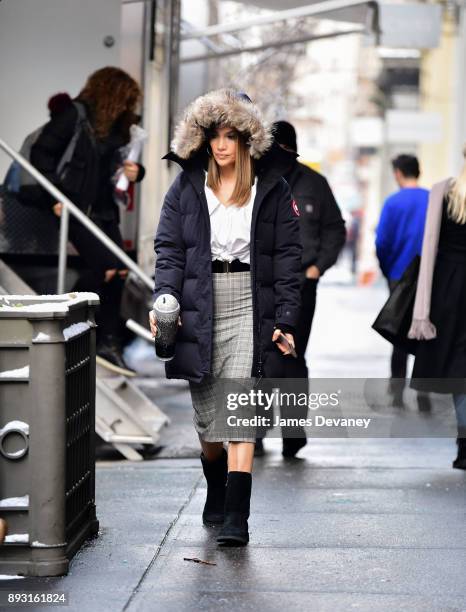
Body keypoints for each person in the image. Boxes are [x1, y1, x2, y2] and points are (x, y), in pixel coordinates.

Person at [149, 89, 302, 546]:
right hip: (199, 297)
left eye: (231, 135)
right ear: (203, 138)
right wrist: (164, 300)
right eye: (214, 135)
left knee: (242, 405)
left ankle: (237, 516)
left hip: (250, 298)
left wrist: (285, 319)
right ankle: (215, 482)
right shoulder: (188, 186)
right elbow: (170, 250)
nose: (221, 145)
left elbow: (288, 256)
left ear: (246, 139)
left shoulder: (271, 187)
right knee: (207, 416)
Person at [30, 67, 145, 376]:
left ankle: (108, 341)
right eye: (125, 100)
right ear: (112, 94)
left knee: (120, 271)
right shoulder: (74, 114)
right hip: (75, 209)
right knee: (105, 269)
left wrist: (137, 173)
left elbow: (121, 167)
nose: (128, 108)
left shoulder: (116, 128)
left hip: (105, 211)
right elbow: (41, 155)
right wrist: (55, 197)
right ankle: (73, 323)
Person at [254, 120, 346, 458]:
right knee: (260, 358)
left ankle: (293, 433)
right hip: (261, 285)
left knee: (291, 357)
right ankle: (258, 431)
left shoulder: (314, 184)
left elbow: (336, 230)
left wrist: (317, 268)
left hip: (301, 286)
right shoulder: (255, 181)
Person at [408, 149, 466, 470]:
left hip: (447, 286)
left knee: (459, 371)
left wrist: (424, 306)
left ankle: (464, 444)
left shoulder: (444, 190)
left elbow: (429, 242)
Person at [376, 154, 431, 410]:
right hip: (430, 276)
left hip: (399, 275)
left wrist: (388, 270)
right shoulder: (433, 199)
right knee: (426, 330)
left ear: (398, 173)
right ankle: (423, 393)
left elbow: (382, 242)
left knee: (398, 330)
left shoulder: (392, 202)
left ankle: (397, 391)